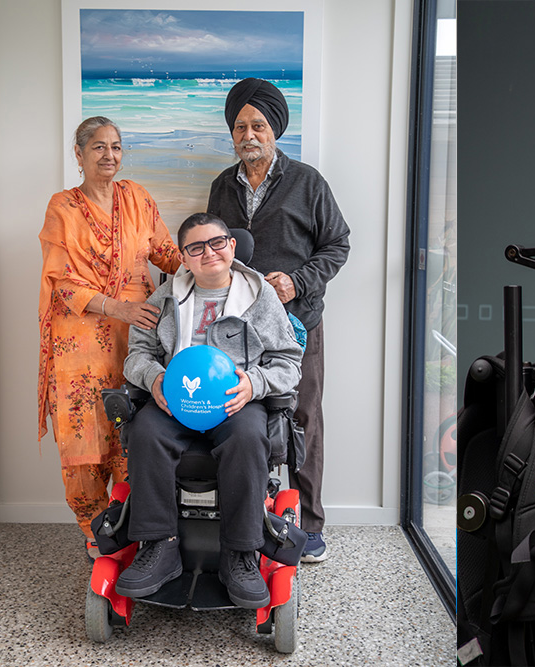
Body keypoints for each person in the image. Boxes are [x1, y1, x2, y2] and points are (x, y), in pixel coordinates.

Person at [115, 213, 303, 608]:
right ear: (184, 257)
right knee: (146, 432)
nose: (209, 253)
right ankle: (159, 547)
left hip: (236, 403)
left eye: (217, 243)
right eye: (196, 248)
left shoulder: (259, 297)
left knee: (250, 437)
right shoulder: (164, 298)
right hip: (176, 400)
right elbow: (137, 354)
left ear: (231, 247)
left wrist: (256, 384)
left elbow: (288, 360)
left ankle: (241, 554)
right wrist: (152, 379)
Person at [207, 78, 350, 563]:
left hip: (296, 323)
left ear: (275, 130)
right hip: (237, 328)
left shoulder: (308, 182)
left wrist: (297, 282)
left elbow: (338, 245)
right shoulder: (221, 187)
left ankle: (309, 524)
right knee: (244, 413)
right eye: (241, 126)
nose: (249, 134)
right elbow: (211, 250)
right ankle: (251, 516)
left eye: (259, 125)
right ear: (232, 133)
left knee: (302, 417)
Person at [38, 116, 181, 560]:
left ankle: (132, 522)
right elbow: (60, 281)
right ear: (78, 155)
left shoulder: (136, 197)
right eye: (98, 147)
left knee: (131, 425)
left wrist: (215, 264)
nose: (109, 155)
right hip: (78, 339)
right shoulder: (62, 206)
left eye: (116, 147)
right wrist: (114, 305)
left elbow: (167, 255)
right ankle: (95, 527)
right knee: (83, 435)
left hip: (136, 337)